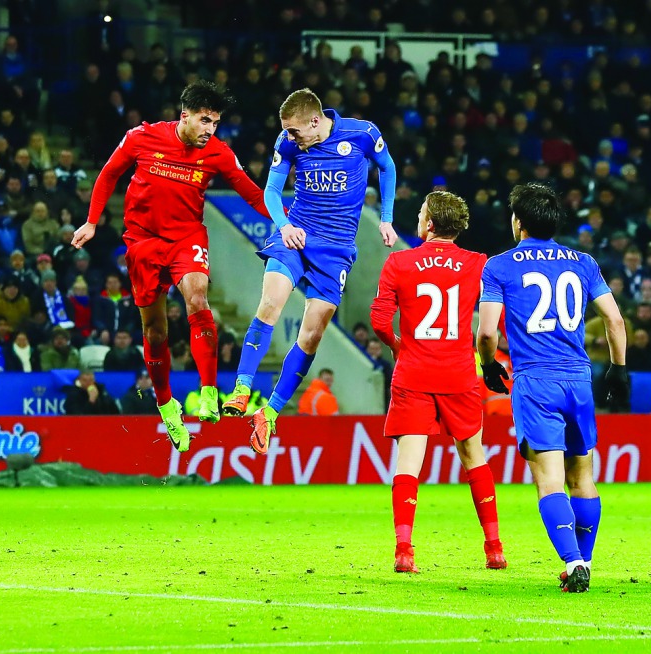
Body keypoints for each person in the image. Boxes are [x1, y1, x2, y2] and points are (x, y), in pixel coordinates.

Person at [72, 81, 271, 451]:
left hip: (187, 238)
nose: (210, 130)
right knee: (156, 332)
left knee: (198, 298)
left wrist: (288, 223)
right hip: (143, 241)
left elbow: (251, 193)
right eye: (205, 120)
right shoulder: (141, 137)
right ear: (185, 116)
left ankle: (210, 390)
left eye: (216, 123)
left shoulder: (218, 153)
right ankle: (166, 404)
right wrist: (93, 220)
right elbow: (109, 173)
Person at [477, 183, 629, 593]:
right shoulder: (583, 262)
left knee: (549, 478)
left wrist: (489, 364)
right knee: (584, 475)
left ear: (519, 222)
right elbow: (615, 322)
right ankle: (586, 560)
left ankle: (572, 560)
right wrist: (618, 369)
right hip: (579, 378)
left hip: (535, 381)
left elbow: (488, 331)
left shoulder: (500, 266)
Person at [226, 88, 397, 453]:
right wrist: (283, 225)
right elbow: (271, 190)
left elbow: (388, 167)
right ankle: (242, 387)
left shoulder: (362, 133)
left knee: (312, 333)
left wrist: (386, 218)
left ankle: (268, 413)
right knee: (270, 303)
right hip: (296, 236)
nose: (289, 137)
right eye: (286, 131)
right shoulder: (287, 142)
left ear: (316, 122)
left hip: (335, 251)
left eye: (294, 131)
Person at [370, 191, 504, 574]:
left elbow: (379, 321)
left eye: (420, 212)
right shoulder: (478, 264)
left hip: (414, 372)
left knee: (409, 461)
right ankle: (493, 548)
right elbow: (495, 314)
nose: (417, 217)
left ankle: (404, 549)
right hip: (460, 373)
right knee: (473, 457)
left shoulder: (399, 262)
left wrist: (397, 346)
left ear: (429, 223)